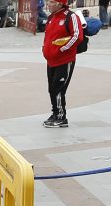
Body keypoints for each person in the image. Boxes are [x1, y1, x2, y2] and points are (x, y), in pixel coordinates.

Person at [42, 0, 84, 128]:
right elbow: (48, 37)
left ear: (60, 4)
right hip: (51, 60)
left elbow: (77, 36)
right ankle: (55, 113)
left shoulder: (71, 16)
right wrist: (44, 49)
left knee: (58, 89)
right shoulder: (51, 17)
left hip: (64, 60)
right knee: (52, 89)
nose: (48, 4)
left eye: (51, 2)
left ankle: (61, 117)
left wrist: (62, 49)